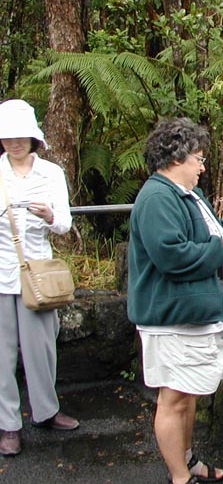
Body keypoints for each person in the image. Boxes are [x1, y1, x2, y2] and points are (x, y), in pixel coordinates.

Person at [127, 117, 223, 484]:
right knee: (173, 400)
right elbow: (171, 256)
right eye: (199, 159)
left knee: (188, 397)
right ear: (177, 158)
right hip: (172, 320)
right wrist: (217, 249)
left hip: (193, 318)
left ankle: (188, 462)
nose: (203, 168)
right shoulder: (158, 197)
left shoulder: (188, 196)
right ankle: (180, 476)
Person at [0, 99, 79, 457]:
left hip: (39, 276)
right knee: (2, 356)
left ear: (34, 138)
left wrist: (48, 215)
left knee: (42, 349)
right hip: (1, 274)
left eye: (21, 136)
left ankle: (46, 411)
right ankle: (9, 425)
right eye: (8, 137)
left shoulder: (51, 174)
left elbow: (64, 224)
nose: (15, 143)